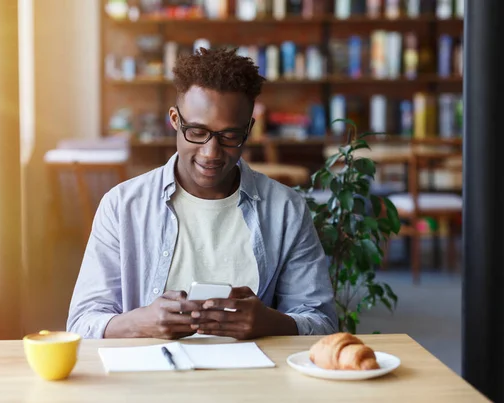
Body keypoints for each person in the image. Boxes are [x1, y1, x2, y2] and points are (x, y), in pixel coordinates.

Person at [67, 47, 337, 340]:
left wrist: (269, 323)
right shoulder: (122, 207)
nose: (211, 153)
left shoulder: (286, 210)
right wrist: (140, 323)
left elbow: (322, 322)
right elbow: (82, 323)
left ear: (249, 129)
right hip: (151, 381)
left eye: (230, 136)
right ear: (174, 119)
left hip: (255, 382)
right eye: (196, 132)